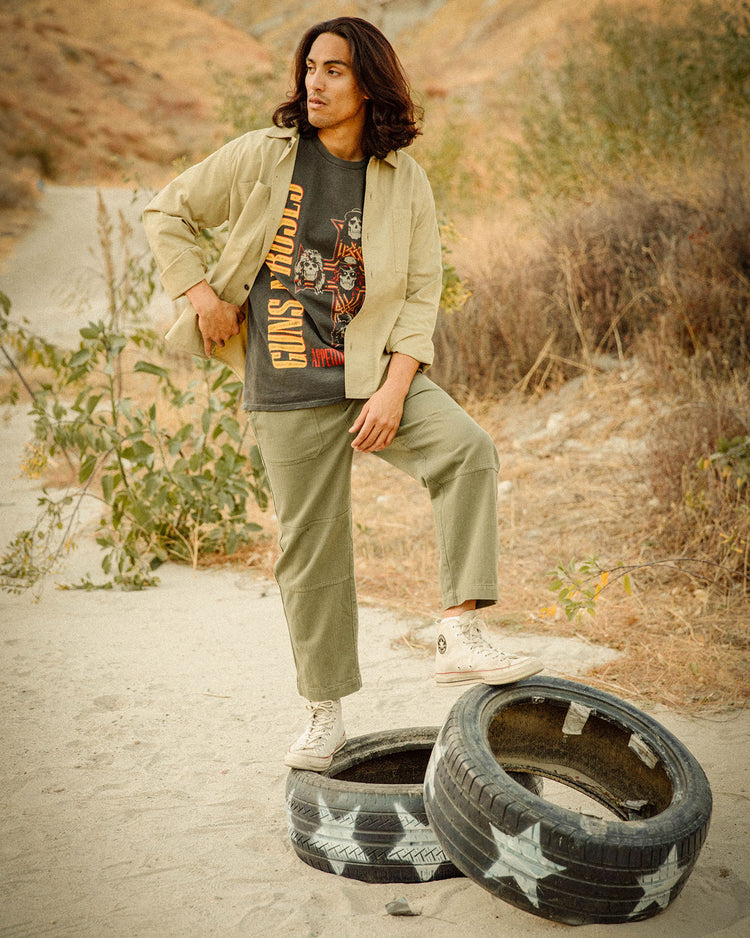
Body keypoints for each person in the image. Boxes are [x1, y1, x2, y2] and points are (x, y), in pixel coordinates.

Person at [143, 16, 543, 772]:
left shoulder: (404, 180)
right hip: (285, 382)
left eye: (334, 70)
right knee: (313, 550)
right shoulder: (266, 155)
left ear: (369, 85)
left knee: (467, 450)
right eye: (310, 68)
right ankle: (323, 715)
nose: (314, 83)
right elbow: (168, 210)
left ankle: (459, 630)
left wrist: (394, 390)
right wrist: (202, 298)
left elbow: (420, 293)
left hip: (371, 375)